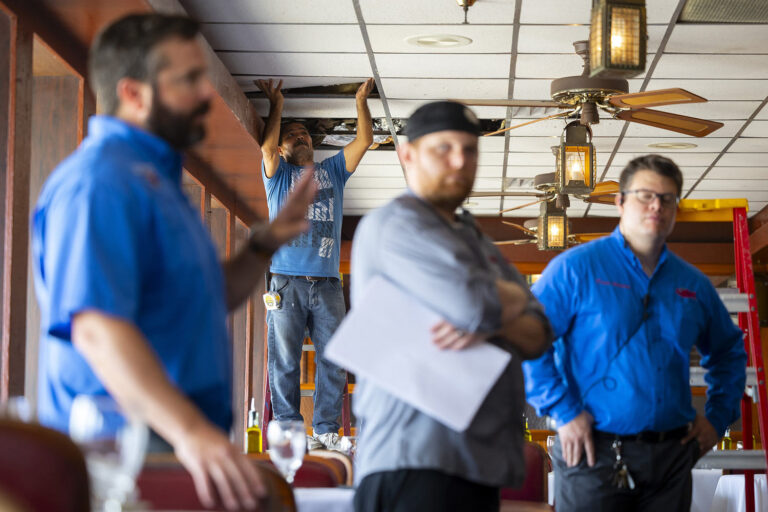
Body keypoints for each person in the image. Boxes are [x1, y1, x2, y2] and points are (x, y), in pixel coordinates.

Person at [31, 14, 317, 511]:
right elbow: (97, 328)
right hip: (126, 455)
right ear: (135, 94)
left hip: (175, 445)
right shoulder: (99, 181)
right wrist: (191, 434)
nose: (206, 94)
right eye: (189, 80)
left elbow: (212, 296)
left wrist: (265, 244)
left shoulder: (159, 182)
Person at [350, 101, 553, 512]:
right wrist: (513, 300)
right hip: (414, 461)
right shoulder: (397, 224)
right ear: (408, 155)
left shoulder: (473, 236)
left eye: (471, 149)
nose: (460, 160)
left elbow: (541, 334)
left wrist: (496, 315)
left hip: (475, 465)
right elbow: (475, 307)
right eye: (443, 148)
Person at [523, 154, 747, 512]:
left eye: (668, 198)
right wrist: (563, 411)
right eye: (645, 194)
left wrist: (718, 418)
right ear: (620, 202)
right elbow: (528, 340)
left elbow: (729, 352)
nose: (656, 205)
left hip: (671, 459)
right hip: (589, 452)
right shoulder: (574, 269)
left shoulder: (692, 284)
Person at [255, 77, 375, 450]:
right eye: (291, 135)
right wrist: (277, 105)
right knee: (286, 361)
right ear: (282, 147)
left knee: (334, 360)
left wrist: (360, 102)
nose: (300, 137)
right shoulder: (278, 178)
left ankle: (326, 431)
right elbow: (266, 147)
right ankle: (290, 431)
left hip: (327, 282)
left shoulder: (332, 172)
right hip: (287, 281)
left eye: (304, 133)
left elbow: (365, 141)